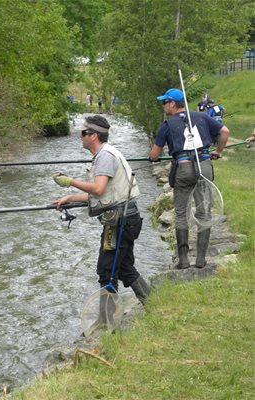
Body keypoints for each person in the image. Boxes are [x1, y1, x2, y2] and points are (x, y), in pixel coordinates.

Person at [53, 115, 150, 308]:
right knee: (124, 267)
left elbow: (98, 189)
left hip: (119, 221)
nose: (80, 137)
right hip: (126, 217)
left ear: (93, 135)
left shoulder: (105, 156)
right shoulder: (106, 153)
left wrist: (70, 181)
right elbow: (103, 193)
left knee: (106, 271)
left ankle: (107, 321)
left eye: (83, 133)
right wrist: (70, 198)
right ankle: (153, 303)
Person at [149, 88, 230, 269]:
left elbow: (154, 155)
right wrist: (218, 151)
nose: (163, 106)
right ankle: (201, 259)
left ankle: (184, 260)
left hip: (183, 169)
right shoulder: (202, 116)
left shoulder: (167, 125)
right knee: (204, 212)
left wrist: (153, 157)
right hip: (205, 165)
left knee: (180, 213)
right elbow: (225, 131)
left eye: (164, 102)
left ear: (172, 103)